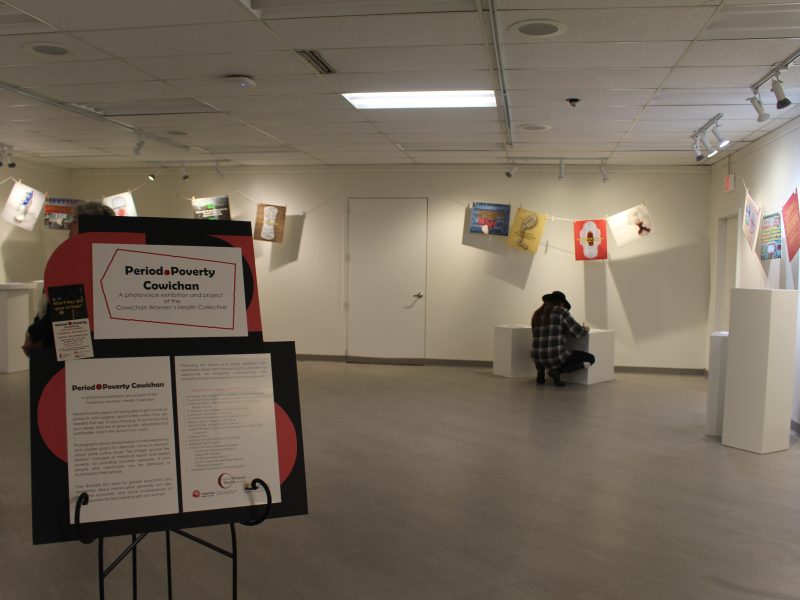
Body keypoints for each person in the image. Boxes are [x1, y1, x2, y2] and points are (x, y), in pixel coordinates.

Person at [21, 200, 115, 357]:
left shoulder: (78, 260)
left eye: (75, 220)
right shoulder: (96, 257)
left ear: (89, 224)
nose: (69, 225)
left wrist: (35, 333)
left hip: (67, 347)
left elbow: (64, 308)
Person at [531, 290, 595, 387]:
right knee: (591, 359)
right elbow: (578, 332)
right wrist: (586, 328)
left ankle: (540, 373)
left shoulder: (537, 313)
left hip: (536, 356)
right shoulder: (561, 312)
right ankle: (557, 371)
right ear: (561, 303)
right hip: (554, 357)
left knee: (543, 350)